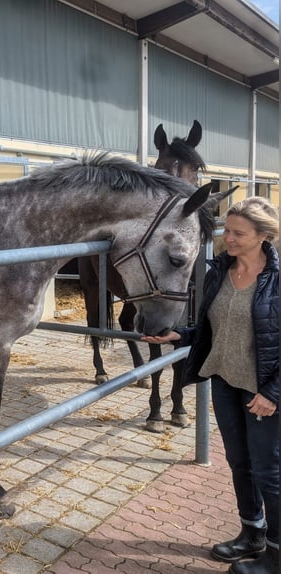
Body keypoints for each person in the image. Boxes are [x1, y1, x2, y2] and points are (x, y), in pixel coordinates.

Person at [142, 196, 279, 574]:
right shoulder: (221, 270)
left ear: (263, 236)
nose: (228, 239)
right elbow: (213, 326)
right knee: (239, 462)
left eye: (238, 234)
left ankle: (277, 554)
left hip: (263, 390)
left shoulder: (279, 279)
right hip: (225, 379)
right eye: (227, 231)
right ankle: (252, 533)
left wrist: (273, 393)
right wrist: (177, 336)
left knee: (269, 470)